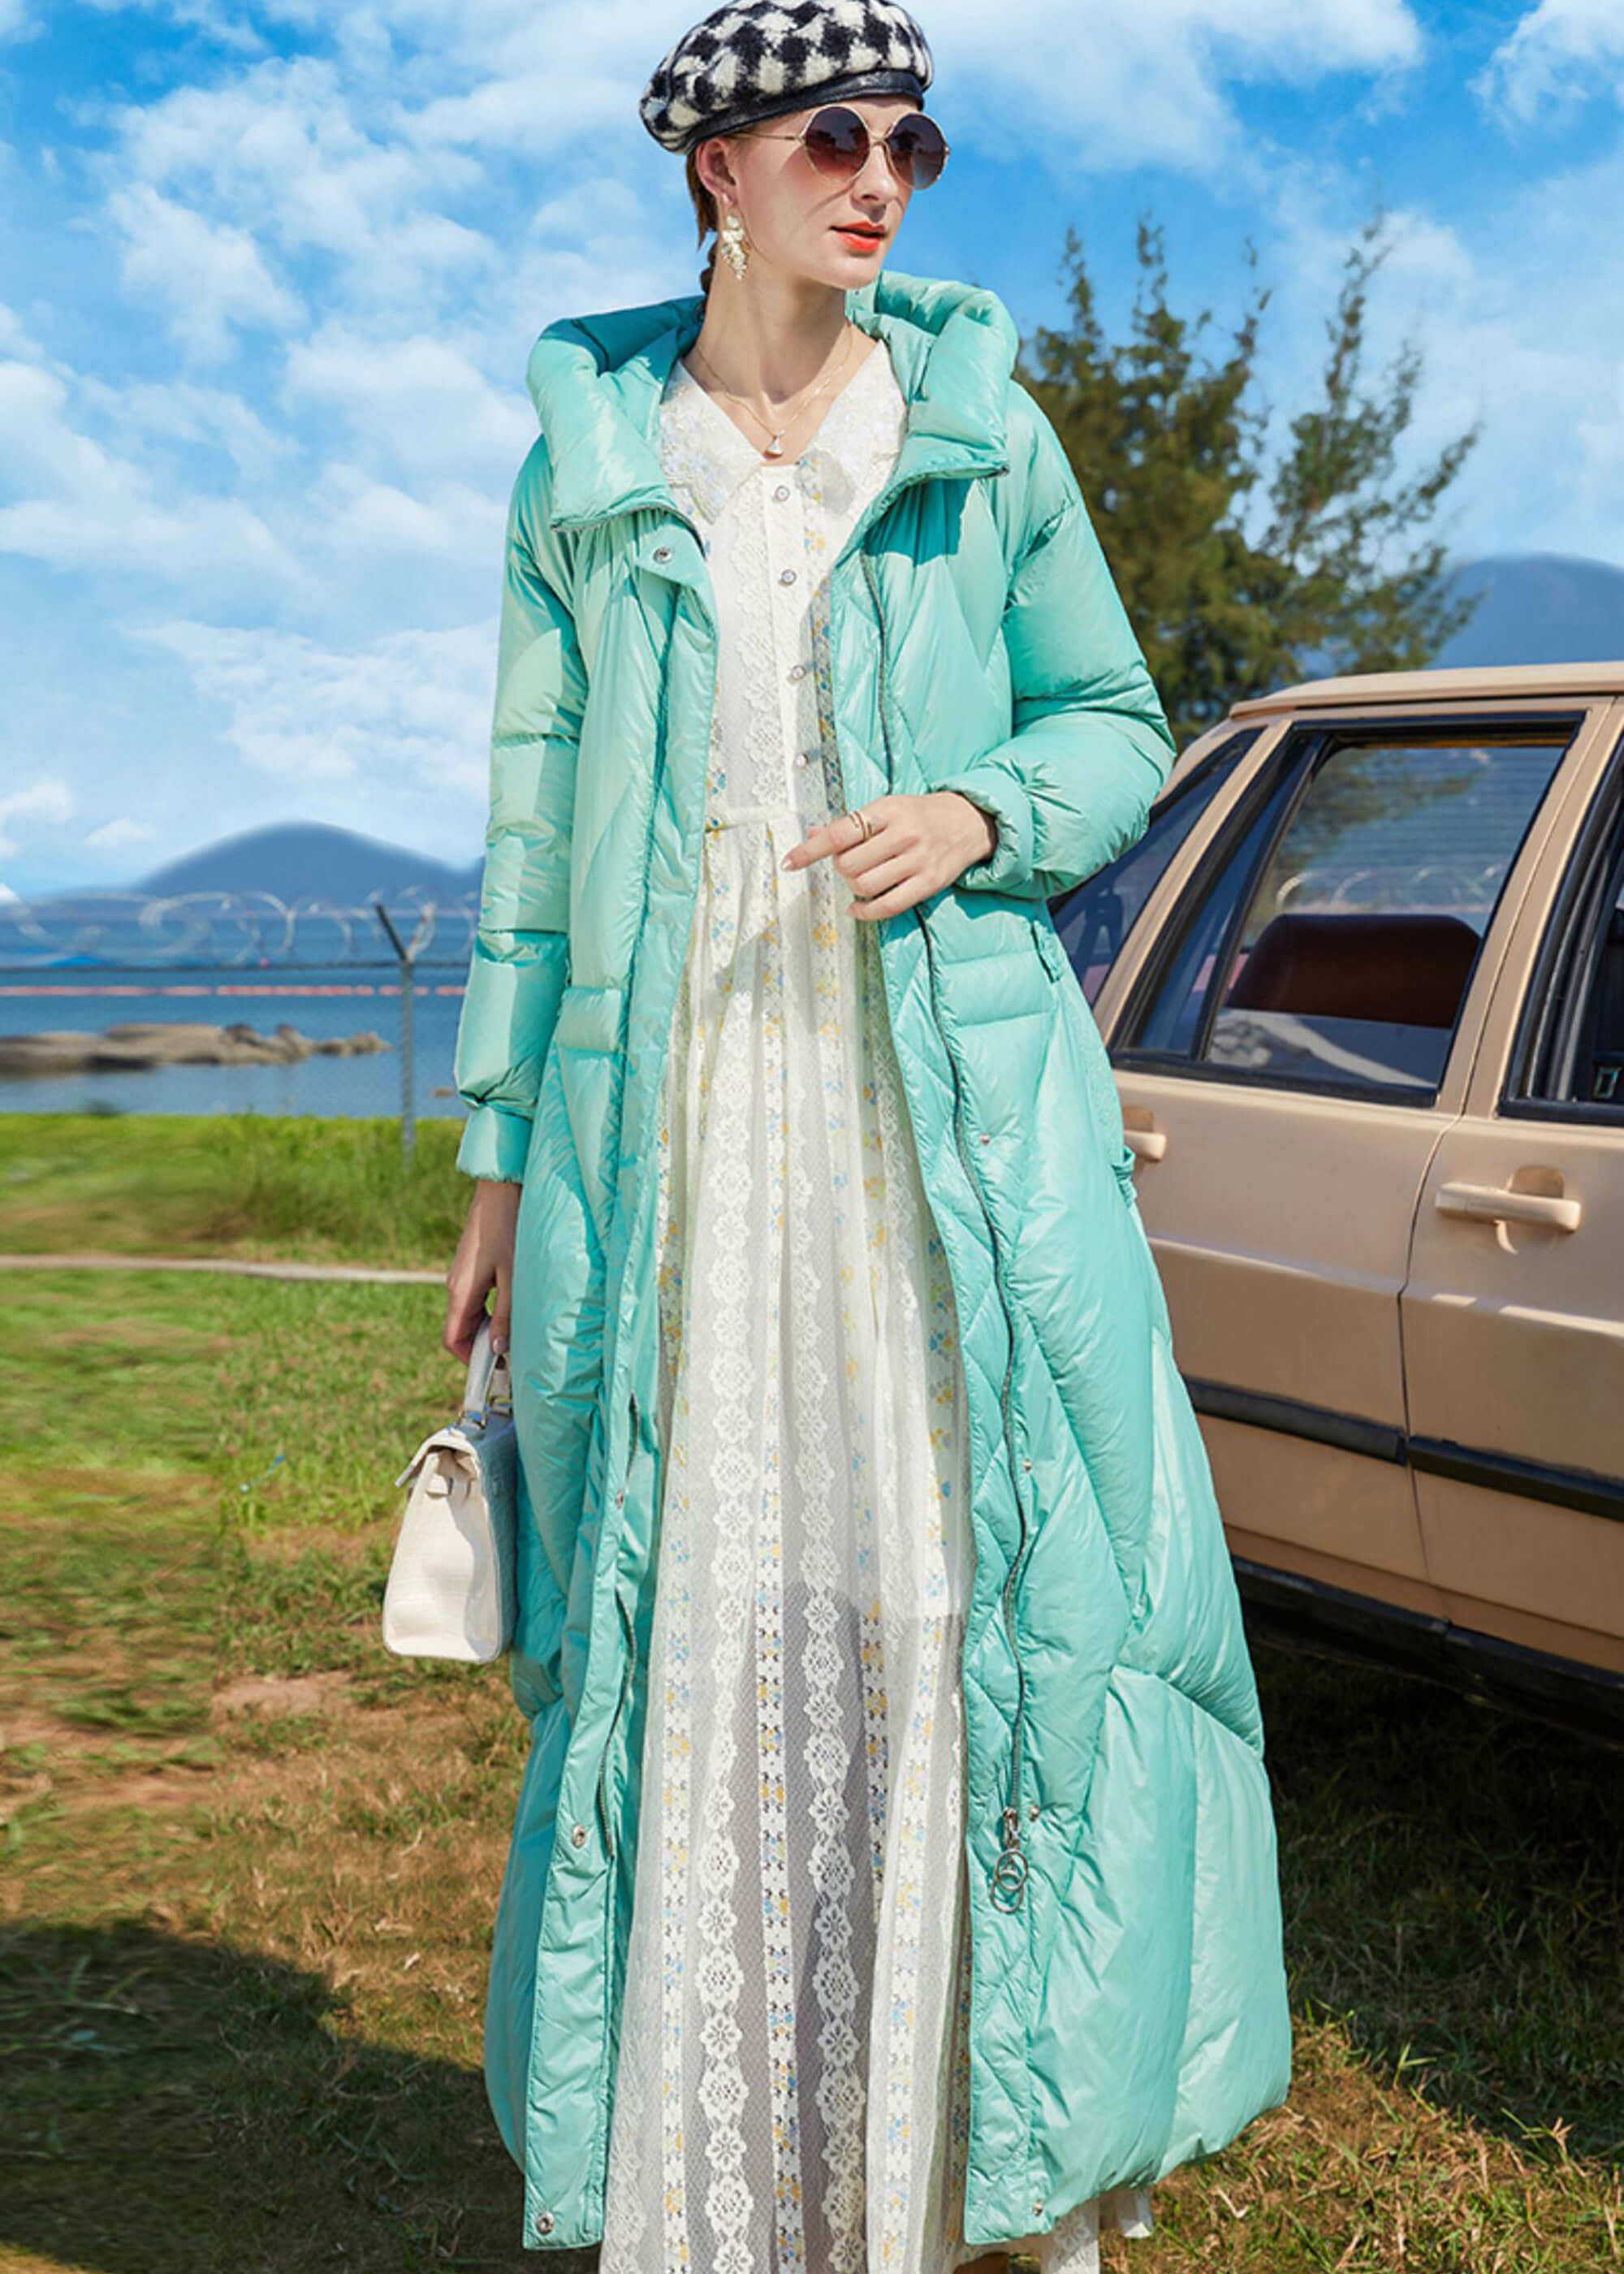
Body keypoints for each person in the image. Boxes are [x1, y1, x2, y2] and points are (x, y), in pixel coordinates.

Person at [443, 4, 1294, 2269]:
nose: (883, 177)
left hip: (944, 1113)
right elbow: (531, 838)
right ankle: (735, 2189)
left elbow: (1115, 720)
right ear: (715, 169)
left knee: (962, 1596)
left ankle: (950, 2171)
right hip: (683, 1123)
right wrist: (498, 1162)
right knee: (701, 1606)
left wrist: (981, 811)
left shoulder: (982, 429)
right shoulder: (589, 465)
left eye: (915, 139)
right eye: (836, 135)